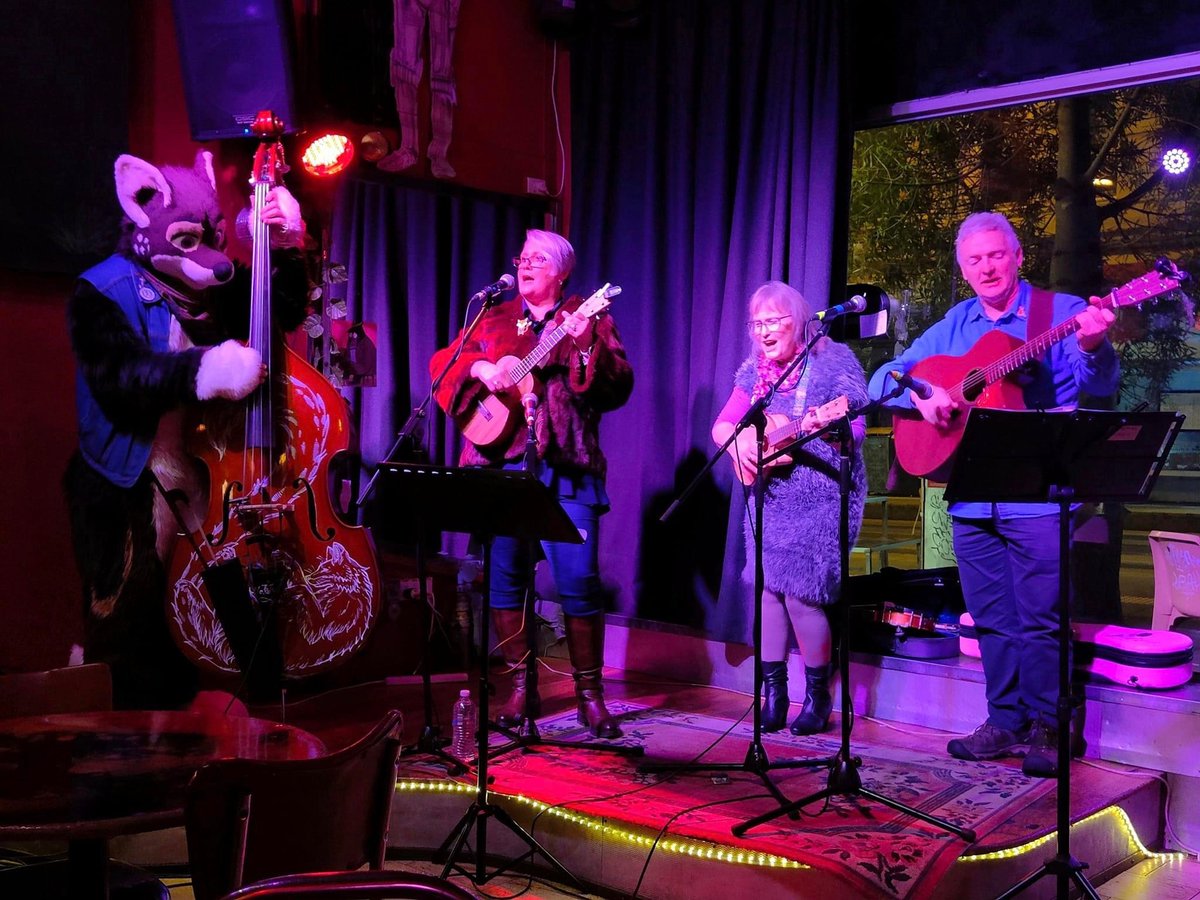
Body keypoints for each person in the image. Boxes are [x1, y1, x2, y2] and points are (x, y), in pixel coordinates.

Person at [867, 211, 1118, 777]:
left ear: (1018, 256)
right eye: (975, 259)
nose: (987, 267)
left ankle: (1053, 726)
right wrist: (923, 399)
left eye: (996, 255)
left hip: (1037, 490)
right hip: (970, 492)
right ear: (964, 268)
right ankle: (1005, 721)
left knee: (1041, 616)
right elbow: (884, 378)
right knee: (989, 616)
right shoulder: (954, 325)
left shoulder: (1062, 313)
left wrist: (1096, 344)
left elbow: (1098, 385)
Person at [65, 150, 308, 708]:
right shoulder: (102, 289)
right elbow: (119, 380)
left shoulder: (212, 288)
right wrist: (204, 371)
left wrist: (288, 242)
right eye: (189, 241)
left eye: (214, 238)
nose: (217, 261)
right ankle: (121, 762)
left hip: (203, 479)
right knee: (130, 624)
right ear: (139, 205)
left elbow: (282, 309)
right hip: (126, 478)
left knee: (207, 617)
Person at [430, 229, 634, 738]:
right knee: (505, 578)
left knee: (578, 579)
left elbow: (617, 385)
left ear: (562, 271)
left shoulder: (587, 317)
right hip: (503, 467)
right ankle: (521, 687)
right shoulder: (494, 316)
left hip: (566, 465)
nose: (525, 265)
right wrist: (482, 364)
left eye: (538, 259)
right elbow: (442, 365)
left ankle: (590, 696)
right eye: (523, 257)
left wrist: (585, 339)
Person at [712, 281, 869, 735]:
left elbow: (855, 428)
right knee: (767, 591)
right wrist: (738, 440)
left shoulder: (833, 360)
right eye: (756, 323)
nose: (763, 331)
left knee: (801, 594)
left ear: (798, 320)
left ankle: (818, 695)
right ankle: (774, 693)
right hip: (770, 493)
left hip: (821, 492)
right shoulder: (755, 370)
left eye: (773, 321)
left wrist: (819, 427)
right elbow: (721, 424)